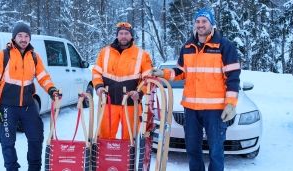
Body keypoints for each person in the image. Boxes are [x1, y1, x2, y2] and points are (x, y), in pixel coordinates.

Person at [152, 8, 241, 171]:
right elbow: (180, 72)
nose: (200, 25)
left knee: (215, 151)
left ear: (212, 23)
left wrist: (231, 104)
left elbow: (233, 77)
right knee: (193, 149)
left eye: (204, 21)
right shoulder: (187, 46)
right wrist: (163, 73)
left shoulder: (225, 46)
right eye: (198, 21)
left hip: (215, 110)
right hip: (191, 109)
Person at [0, 22, 59, 171]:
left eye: (26, 36)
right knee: (7, 141)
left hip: (28, 104)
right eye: (20, 35)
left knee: (36, 137)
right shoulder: (2, 56)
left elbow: (43, 77)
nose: (23, 39)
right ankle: (12, 168)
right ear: (14, 37)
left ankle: (34, 168)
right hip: (7, 105)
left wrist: (52, 90)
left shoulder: (34, 57)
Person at [92, 22, 153, 140]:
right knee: (105, 138)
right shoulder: (105, 52)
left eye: (126, 33)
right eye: (121, 33)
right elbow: (96, 73)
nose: (123, 36)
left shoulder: (142, 54)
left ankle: (129, 159)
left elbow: (148, 79)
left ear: (131, 36)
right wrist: (99, 86)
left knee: (130, 139)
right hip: (109, 102)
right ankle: (106, 158)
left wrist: (139, 93)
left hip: (131, 103)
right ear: (117, 35)